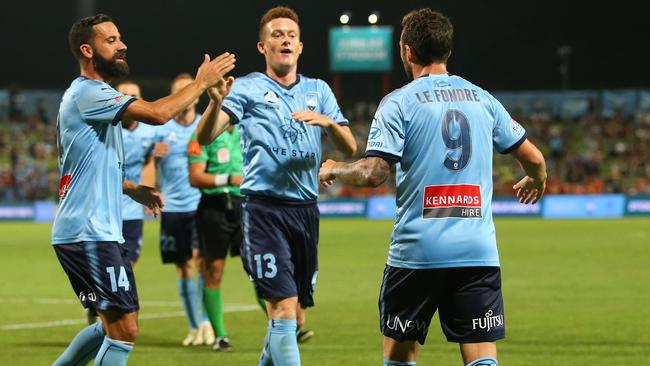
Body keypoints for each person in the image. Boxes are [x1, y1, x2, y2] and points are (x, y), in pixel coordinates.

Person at [318, 8, 547, 366]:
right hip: (477, 251)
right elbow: (533, 157)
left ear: (407, 51)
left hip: (418, 253)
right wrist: (538, 178)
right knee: (482, 359)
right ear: (448, 52)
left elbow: (374, 173)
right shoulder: (482, 99)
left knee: (399, 355)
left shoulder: (398, 102)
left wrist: (335, 168)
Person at [51, 13, 234, 366]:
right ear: (87, 51)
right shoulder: (89, 92)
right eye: (112, 40)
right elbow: (156, 113)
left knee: (113, 326)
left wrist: (133, 188)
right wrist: (200, 83)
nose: (122, 46)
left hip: (96, 229)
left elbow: (87, 167)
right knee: (124, 330)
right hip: (89, 232)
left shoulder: (88, 96)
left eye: (120, 38)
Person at [195, 6, 357, 365]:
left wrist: (329, 124)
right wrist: (215, 102)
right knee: (282, 308)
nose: (285, 39)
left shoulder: (319, 90)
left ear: (300, 47)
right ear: (262, 46)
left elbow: (350, 147)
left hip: (305, 211)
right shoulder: (248, 88)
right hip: (263, 209)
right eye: (276, 34)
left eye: (291, 35)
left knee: (291, 313)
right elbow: (205, 136)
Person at [153, 73, 214, 346]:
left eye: (189, 90)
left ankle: (206, 322)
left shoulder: (205, 125)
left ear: (196, 95)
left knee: (202, 263)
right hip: (173, 208)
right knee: (183, 267)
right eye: (179, 91)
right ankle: (193, 325)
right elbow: (148, 169)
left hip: (201, 205)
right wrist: (152, 155)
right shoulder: (160, 129)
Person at [187, 124, 243, 351]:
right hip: (214, 209)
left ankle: (281, 326)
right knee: (214, 271)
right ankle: (221, 336)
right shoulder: (201, 134)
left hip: (246, 205)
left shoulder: (247, 128)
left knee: (258, 268)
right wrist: (228, 178)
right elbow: (195, 177)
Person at [117, 81, 157, 267]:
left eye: (134, 95)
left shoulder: (151, 131)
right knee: (108, 266)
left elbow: (149, 161)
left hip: (133, 211)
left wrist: (149, 192)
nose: (129, 98)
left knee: (129, 263)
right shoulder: (106, 129)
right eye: (124, 94)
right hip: (107, 211)